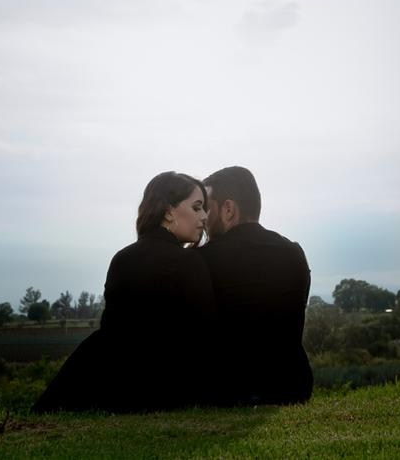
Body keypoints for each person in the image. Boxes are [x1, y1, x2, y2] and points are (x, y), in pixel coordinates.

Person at [33, 171, 215, 413]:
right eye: (197, 207)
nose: (204, 216)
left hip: (113, 383)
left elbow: (113, 331)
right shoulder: (189, 261)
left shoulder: (122, 258)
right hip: (167, 385)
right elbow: (205, 332)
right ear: (169, 211)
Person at [199, 165, 313, 405]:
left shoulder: (202, 260)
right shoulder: (294, 253)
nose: (203, 219)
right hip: (291, 387)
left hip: (225, 391)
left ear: (228, 209)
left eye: (206, 209)